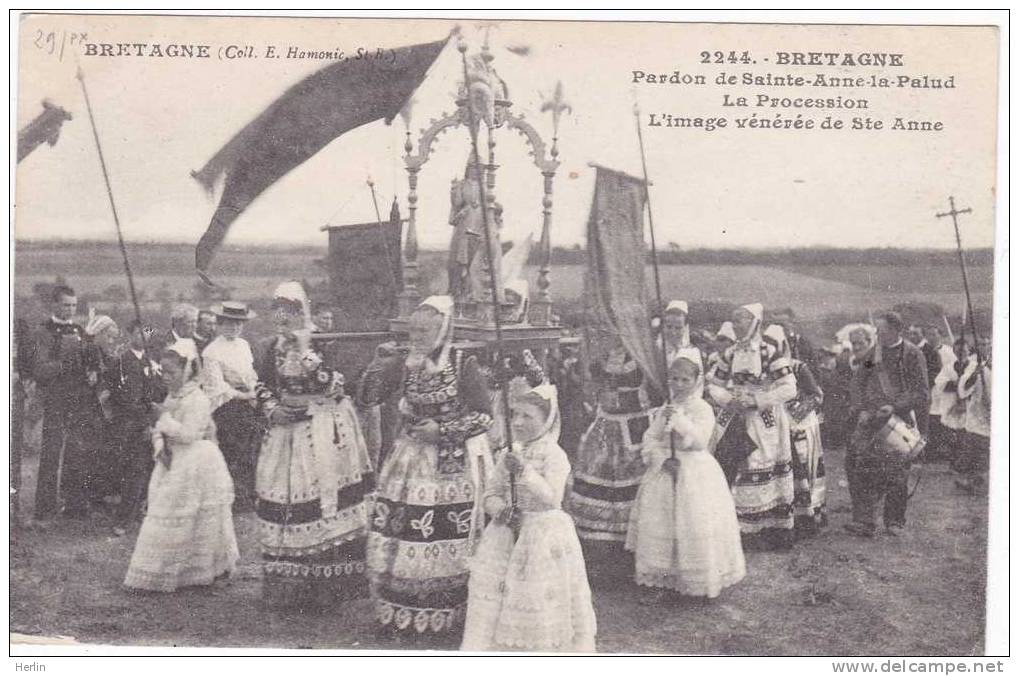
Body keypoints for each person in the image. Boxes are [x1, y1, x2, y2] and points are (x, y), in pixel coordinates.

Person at [357, 296, 494, 636]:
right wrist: (377, 365)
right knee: (403, 529)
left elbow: (484, 417)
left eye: (425, 330)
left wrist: (443, 431)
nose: (417, 336)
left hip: (452, 464)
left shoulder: (464, 363)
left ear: (443, 329)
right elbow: (367, 396)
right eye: (413, 329)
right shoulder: (404, 362)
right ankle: (400, 608)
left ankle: (444, 613)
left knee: (441, 531)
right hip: (411, 458)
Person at [253, 282, 374, 608]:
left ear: (301, 312)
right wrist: (272, 409)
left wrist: (306, 353)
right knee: (285, 498)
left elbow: (335, 384)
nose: (284, 326)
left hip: (322, 428)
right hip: (286, 430)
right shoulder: (270, 348)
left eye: (289, 318)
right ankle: (288, 587)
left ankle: (327, 588)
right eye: (279, 320)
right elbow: (262, 385)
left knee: (323, 501)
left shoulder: (324, 342)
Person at [461, 381, 597, 652]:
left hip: (542, 534)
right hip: (506, 533)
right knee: (497, 594)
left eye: (527, 416)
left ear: (546, 421)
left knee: (534, 593)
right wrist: (501, 510)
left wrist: (524, 473)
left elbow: (552, 498)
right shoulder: (508, 453)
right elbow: (490, 494)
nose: (519, 423)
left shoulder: (555, 455)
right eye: (515, 415)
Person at [626, 350, 745, 603]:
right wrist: (660, 458)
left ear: (695, 381)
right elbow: (650, 438)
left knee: (693, 522)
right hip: (666, 470)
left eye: (684, 380)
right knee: (663, 522)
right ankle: (663, 580)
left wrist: (679, 421)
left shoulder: (702, 408)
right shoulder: (665, 409)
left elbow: (700, 441)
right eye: (674, 379)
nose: (679, 385)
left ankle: (697, 580)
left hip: (694, 472)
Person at [123, 348, 239, 592]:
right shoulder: (172, 397)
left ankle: (197, 571)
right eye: (163, 371)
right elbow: (161, 430)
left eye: (171, 372)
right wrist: (159, 445)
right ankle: (159, 572)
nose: (166, 377)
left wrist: (164, 419)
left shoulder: (198, 399)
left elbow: (189, 434)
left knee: (190, 517)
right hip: (172, 459)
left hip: (196, 461)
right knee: (164, 512)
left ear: (186, 371)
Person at [706, 303, 798, 551]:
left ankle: (768, 528)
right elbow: (713, 384)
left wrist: (758, 400)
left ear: (755, 323)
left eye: (741, 321)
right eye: (734, 321)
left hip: (763, 420)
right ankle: (736, 528)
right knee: (732, 464)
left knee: (761, 462)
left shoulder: (770, 353)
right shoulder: (730, 354)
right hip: (734, 416)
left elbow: (790, 387)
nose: (735, 326)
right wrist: (728, 399)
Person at [844, 311, 929, 538]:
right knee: (860, 468)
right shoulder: (874, 353)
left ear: (896, 330)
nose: (877, 333)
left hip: (897, 420)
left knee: (897, 473)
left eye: (881, 330)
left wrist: (895, 407)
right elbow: (858, 383)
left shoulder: (912, 354)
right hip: (870, 419)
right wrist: (861, 408)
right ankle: (864, 521)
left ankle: (894, 521)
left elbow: (921, 393)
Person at [564, 339, 657, 543]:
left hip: (634, 421)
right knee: (599, 469)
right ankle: (601, 526)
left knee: (631, 473)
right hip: (606, 421)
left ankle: (630, 526)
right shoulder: (604, 354)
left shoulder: (643, 352)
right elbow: (593, 380)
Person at [31, 285, 91, 522]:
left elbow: (88, 359)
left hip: (77, 401)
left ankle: (72, 506)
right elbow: (39, 370)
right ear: (55, 305)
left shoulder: (79, 329)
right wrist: (63, 363)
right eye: (66, 305)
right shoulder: (42, 331)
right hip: (54, 400)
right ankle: (44, 510)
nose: (71, 309)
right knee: (51, 455)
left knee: (76, 452)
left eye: (74, 305)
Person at [201, 301, 260, 512]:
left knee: (253, 450)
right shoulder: (211, 352)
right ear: (219, 324)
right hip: (228, 406)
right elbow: (217, 387)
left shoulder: (243, 345)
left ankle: (252, 495)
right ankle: (233, 499)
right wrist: (244, 396)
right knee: (233, 452)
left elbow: (250, 374)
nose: (234, 328)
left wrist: (254, 392)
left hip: (249, 400)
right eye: (229, 323)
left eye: (238, 324)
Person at [109, 321, 167, 536]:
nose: (143, 337)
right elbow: (128, 399)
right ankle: (122, 520)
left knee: (151, 470)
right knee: (136, 471)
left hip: (151, 422)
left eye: (147, 333)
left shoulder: (150, 361)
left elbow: (158, 390)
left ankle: (143, 513)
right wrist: (146, 421)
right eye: (139, 333)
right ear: (130, 334)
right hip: (133, 425)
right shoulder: (124, 361)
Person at [81, 314, 122, 509]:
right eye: (109, 337)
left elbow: (150, 330)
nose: (112, 341)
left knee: (103, 452)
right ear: (98, 334)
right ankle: (90, 497)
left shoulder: (104, 353)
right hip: (91, 410)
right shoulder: (90, 352)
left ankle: (99, 494)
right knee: (94, 453)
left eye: (114, 338)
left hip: (102, 411)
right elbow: (94, 383)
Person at [788, 358, 827, 535]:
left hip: (802, 423)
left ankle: (809, 516)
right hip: (779, 426)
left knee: (805, 468)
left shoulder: (798, 367)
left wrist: (795, 414)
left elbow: (817, 395)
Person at [955, 337, 991, 494]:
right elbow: (963, 388)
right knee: (976, 446)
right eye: (982, 344)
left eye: (988, 343)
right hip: (978, 414)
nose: (985, 346)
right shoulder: (974, 366)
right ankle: (973, 479)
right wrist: (976, 374)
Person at [937, 338, 970, 469]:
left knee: (966, 435)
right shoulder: (948, 367)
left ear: (968, 350)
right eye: (958, 350)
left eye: (964, 350)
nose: (961, 353)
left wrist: (965, 385)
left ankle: (964, 463)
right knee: (952, 435)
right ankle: (953, 462)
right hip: (951, 403)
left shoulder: (974, 367)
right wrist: (955, 383)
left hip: (968, 405)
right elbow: (939, 383)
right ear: (954, 351)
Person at [166, 303, 200, 370]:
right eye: (190, 322)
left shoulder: (198, 343)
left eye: (195, 322)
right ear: (177, 322)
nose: (194, 326)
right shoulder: (160, 342)